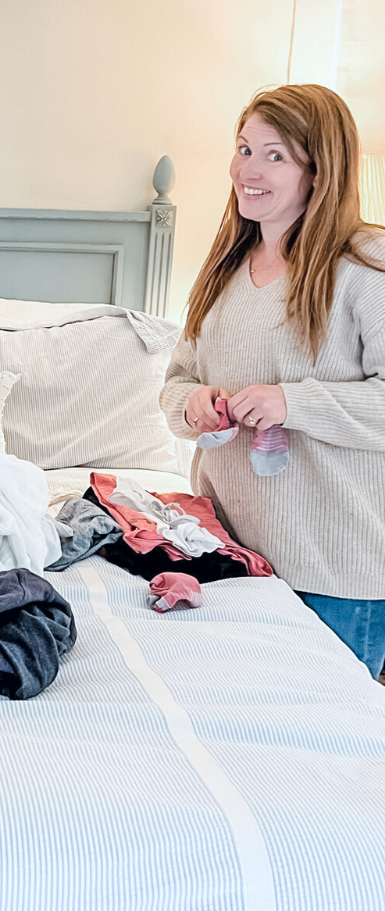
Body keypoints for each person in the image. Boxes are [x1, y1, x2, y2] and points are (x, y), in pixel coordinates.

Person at [161, 84, 385, 677]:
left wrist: (293, 403)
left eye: (275, 155)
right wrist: (195, 407)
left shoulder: (368, 266)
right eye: (243, 148)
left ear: (321, 170)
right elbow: (176, 382)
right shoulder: (225, 269)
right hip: (228, 560)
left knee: (329, 756)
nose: (247, 170)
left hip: (333, 571)